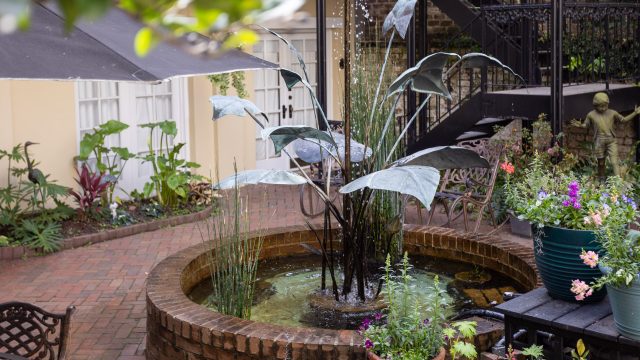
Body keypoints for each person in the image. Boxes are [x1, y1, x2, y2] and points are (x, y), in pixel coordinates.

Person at [570, 92, 640, 179]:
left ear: (608, 104)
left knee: (614, 162)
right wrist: (581, 125)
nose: (603, 108)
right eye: (600, 106)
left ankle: (618, 182)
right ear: (595, 105)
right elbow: (586, 125)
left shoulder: (612, 113)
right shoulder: (591, 115)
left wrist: (635, 113)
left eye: (605, 105)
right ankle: (601, 179)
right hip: (599, 141)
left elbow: (623, 120)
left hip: (611, 141)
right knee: (601, 163)